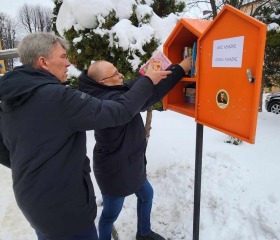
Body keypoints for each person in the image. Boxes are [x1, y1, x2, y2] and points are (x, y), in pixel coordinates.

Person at [0, 32, 172, 240]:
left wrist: (35, 165)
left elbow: (4, 150)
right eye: (62, 57)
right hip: (65, 208)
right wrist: (147, 81)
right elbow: (119, 112)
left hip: (32, 202)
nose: (67, 63)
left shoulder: (10, 98)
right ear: (43, 62)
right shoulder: (58, 98)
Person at [78, 56, 192, 240]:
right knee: (110, 214)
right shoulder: (105, 104)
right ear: (102, 82)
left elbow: (138, 89)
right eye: (115, 74)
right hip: (114, 172)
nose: (121, 75)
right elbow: (138, 97)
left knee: (147, 195)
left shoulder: (113, 92)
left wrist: (173, 69)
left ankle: (144, 233)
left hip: (133, 164)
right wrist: (176, 70)